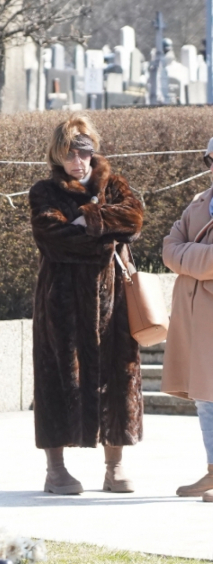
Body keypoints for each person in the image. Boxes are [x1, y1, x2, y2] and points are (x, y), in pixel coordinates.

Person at [29, 115, 144, 495]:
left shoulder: (114, 184)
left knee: (116, 377)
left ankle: (115, 466)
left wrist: (87, 218)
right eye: (70, 153)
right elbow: (52, 237)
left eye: (84, 151)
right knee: (56, 378)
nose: (79, 160)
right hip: (60, 303)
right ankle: (55, 469)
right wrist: (102, 234)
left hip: (113, 304)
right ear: (57, 154)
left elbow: (133, 218)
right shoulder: (44, 191)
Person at [162, 137, 213, 503]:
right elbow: (168, 249)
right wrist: (201, 260)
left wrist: (188, 258)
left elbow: (180, 251)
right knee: (204, 398)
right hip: (196, 316)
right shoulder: (198, 202)